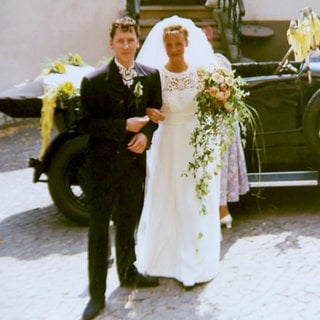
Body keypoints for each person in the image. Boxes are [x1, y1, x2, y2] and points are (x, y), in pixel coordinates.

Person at [77, 17, 162, 320]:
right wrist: (123, 126)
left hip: (133, 165)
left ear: (137, 41)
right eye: (120, 41)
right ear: (111, 43)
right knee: (99, 229)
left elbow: (155, 114)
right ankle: (96, 295)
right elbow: (84, 124)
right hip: (101, 167)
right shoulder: (94, 81)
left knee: (128, 221)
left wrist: (145, 135)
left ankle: (128, 273)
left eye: (131, 40)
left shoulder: (150, 76)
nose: (126, 46)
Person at [134, 16, 224, 288]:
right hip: (168, 142)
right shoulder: (155, 76)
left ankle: (191, 262)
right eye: (170, 45)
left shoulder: (199, 74)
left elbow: (210, 107)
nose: (174, 49)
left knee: (190, 198)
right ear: (164, 46)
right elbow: (146, 108)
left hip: (193, 142)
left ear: (186, 44)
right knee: (166, 195)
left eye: (178, 44)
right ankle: (163, 259)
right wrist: (150, 112)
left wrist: (220, 101)